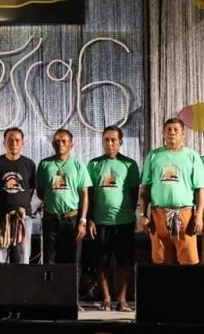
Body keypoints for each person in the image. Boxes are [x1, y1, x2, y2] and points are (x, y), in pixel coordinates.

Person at [87, 126, 139, 312]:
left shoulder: (129, 165)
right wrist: (90, 219)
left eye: (113, 140)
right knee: (102, 262)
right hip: (100, 222)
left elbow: (134, 193)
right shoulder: (94, 164)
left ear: (121, 142)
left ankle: (122, 299)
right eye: (106, 140)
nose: (109, 143)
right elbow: (89, 194)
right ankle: (107, 299)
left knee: (124, 262)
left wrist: (127, 213)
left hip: (124, 222)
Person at [139, 117, 204, 265]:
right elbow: (144, 189)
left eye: (176, 130)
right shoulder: (153, 156)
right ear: (163, 133)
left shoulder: (192, 156)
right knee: (161, 260)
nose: (172, 133)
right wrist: (142, 215)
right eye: (168, 130)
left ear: (183, 134)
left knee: (189, 261)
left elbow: (200, 189)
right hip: (158, 214)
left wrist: (199, 215)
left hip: (185, 215)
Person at [36, 129, 91, 264]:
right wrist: (54, 201)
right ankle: (51, 280)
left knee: (73, 260)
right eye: (57, 141)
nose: (60, 144)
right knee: (50, 259)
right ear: (52, 144)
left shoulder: (79, 165)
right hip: (51, 219)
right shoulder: (45, 164)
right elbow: (40, 191)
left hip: (72, 219)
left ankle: (73, 280)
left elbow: (85, 194)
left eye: (64, 141)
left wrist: (83, 221)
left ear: (71, 145)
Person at [0, 127, 35, 264]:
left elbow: (32, 189)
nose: (14, 143)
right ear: (4, 143)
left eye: (17, 140)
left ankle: (22, 279)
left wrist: (21, 205)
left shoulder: (29, 164)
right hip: (0, 217)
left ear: (23, 143)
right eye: (10, 140)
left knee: (23, 258)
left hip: (23, 218)